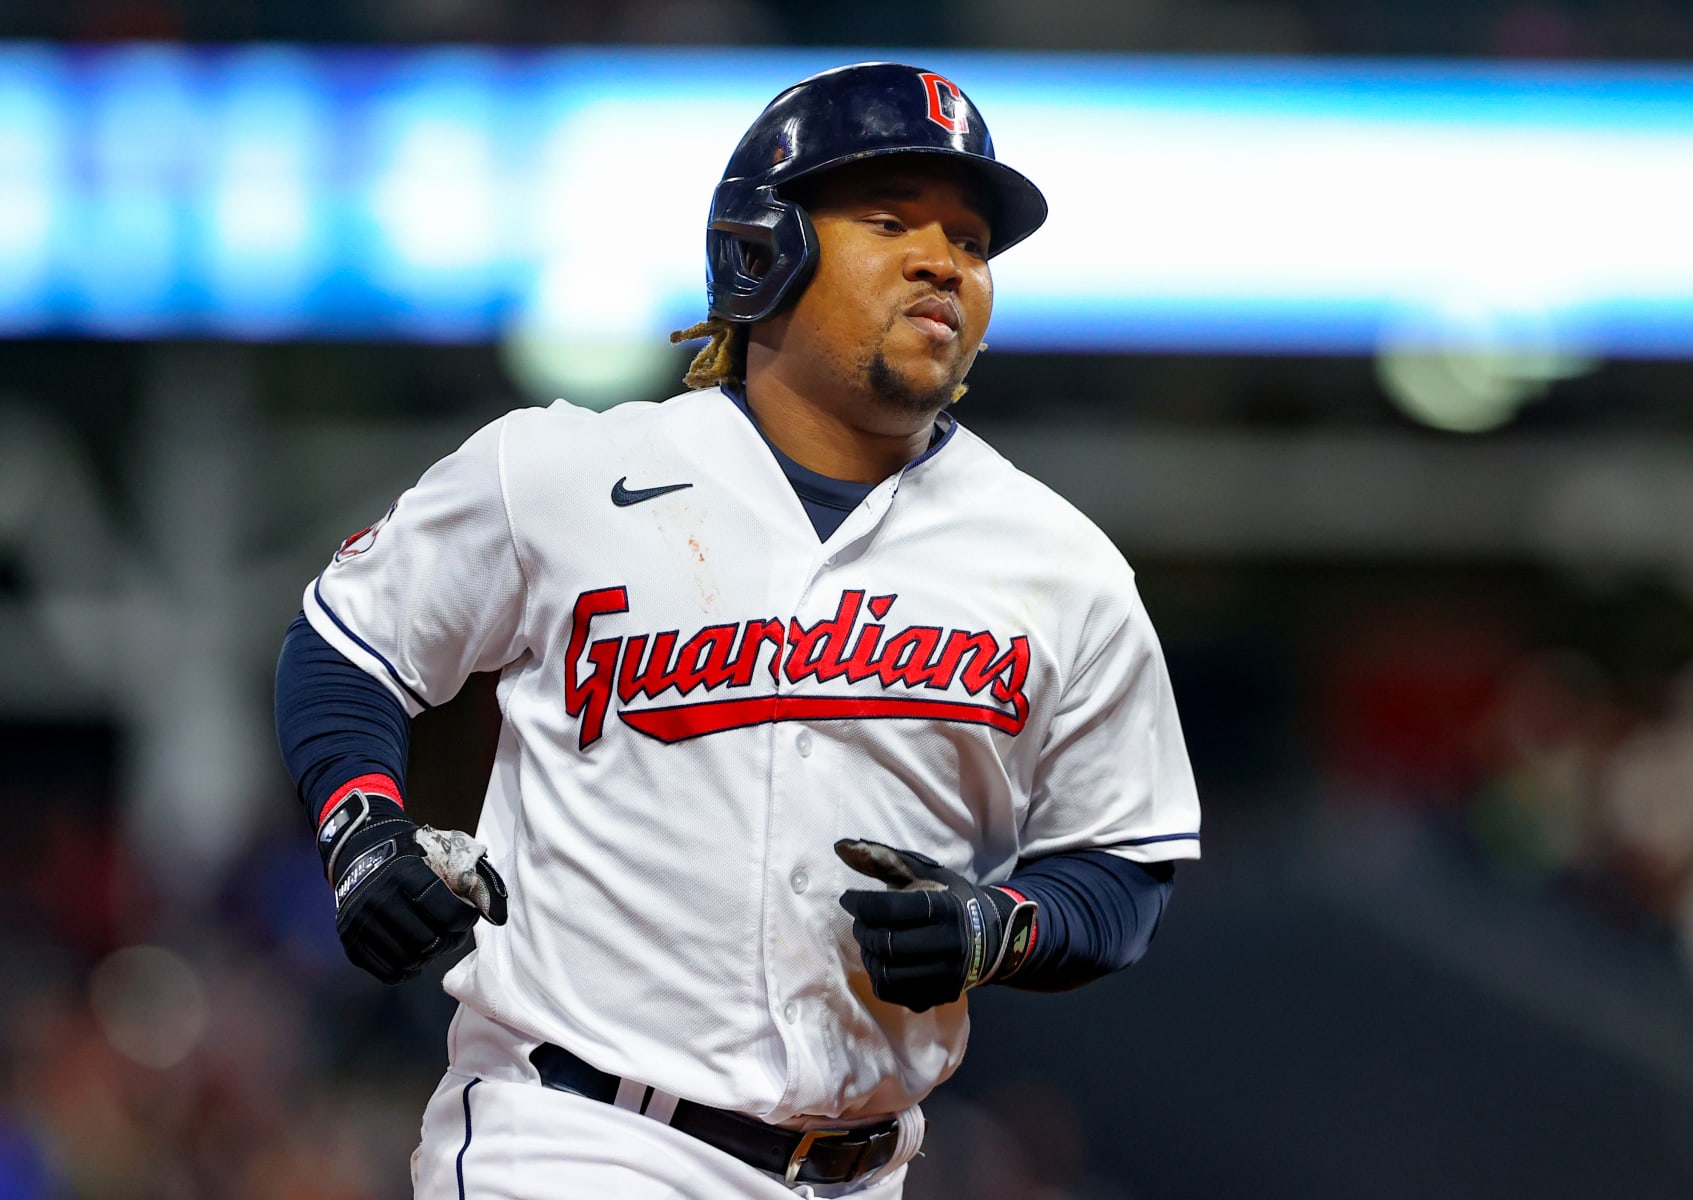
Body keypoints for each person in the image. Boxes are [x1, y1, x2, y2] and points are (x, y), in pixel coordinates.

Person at [274, 62, 1200, 1199]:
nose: (942, 262)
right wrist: (363, 833)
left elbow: (1125, 863)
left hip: (865, 1168)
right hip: (573, 1135)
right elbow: (348, 645)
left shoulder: (1059, 565)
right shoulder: (569, 470)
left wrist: (999, 926)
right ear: (762, 249)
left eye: (969, 241)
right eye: (890, 219)